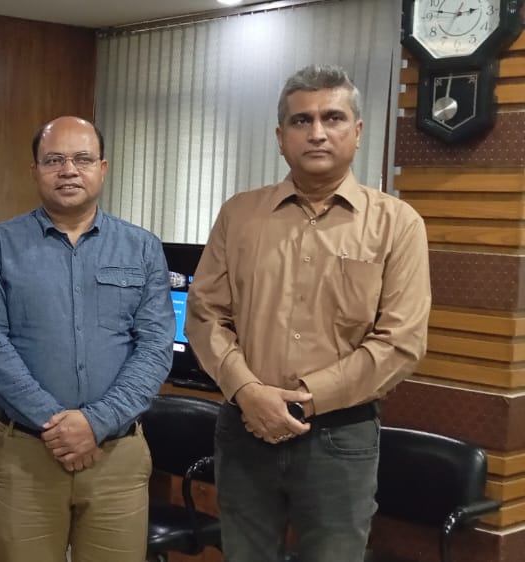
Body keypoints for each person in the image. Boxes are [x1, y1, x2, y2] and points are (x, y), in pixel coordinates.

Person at [184, 64, 430, 562]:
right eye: (301, 120)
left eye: (332, 118)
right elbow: (205, 314)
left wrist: (307, 399)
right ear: (281, 138)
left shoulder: (397, 224)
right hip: (245, 427)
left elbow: (400, 342)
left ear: (357, 131)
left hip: (340, 438)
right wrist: (248, 391)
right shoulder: (239, 215)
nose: (317, 132)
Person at [0, 116, 173, 561]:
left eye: (82, 159)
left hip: (117, 456)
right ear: (34, 170)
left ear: (103, 168)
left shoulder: (142, 247)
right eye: (54, 160)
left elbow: (155, 347)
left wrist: (96, 423)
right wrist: (57, 426)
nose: (69, 170)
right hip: (27, 455)